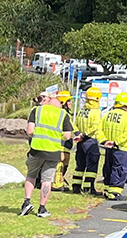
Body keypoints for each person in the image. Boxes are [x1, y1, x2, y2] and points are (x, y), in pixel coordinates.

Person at [21, 87, 73, 218]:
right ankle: (42, 208)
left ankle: (27, 202)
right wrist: (56, 137)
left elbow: (30, 131)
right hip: (54, 151)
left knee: (31, 175)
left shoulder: (37, 111)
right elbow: (67, 136)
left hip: (37, 149)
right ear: (60, 105)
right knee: (47, 180)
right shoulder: (63, 115)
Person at [100, 94, 127, 201]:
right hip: (121, 148)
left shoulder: (107, 115)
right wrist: (116, 142)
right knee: (119, 169)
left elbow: (100, 129)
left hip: (108, 147)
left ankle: (107, 190)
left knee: (108, 167)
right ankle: (114, 193)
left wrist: (105, 141)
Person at [72, 87, 105, 195]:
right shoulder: (96, 112)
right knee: (92, 166)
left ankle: (76, 186)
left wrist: (78, 135)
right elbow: (94, 128)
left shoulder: (82, 111)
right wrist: (84, 136)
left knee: (80, 165)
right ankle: (88, 188)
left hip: (80, 142)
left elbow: (75, 124)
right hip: (90, 141)